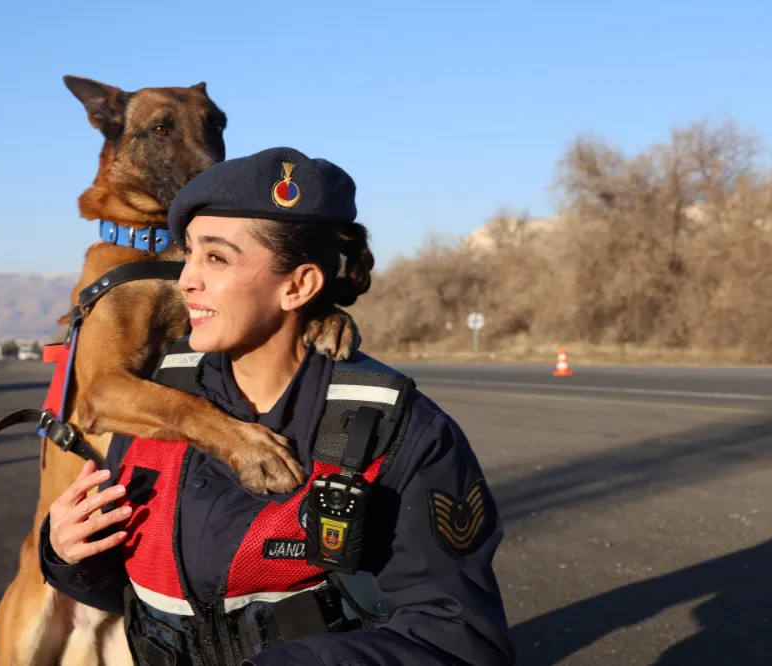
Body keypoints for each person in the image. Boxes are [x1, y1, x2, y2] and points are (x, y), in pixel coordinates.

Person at [39, 147, 516, 666]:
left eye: (216, 258)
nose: (186, 279)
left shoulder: (398, 431)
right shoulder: (158, 405)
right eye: (189, 254)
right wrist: (67, 554)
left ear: (299, 285)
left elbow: (456, 640)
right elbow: (134, 593)